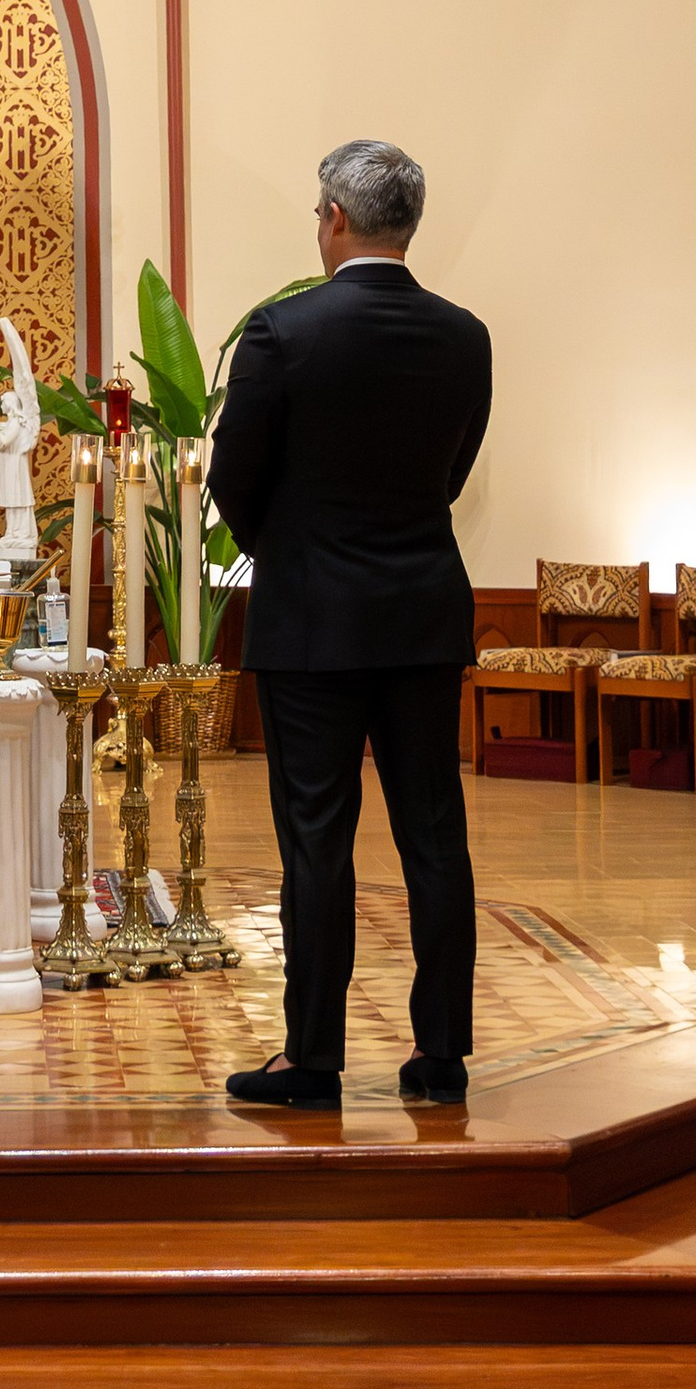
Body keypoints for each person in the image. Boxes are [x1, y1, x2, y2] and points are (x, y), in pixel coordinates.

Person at [207, 140, 492, 1112]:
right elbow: (450, 473)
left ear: (332, 217)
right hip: (421, 612)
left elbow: (232, 478)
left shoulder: (283, 333)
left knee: (316, 844)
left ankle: (312, 1058)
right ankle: (441, 1053)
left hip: (312, 624)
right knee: (434, 838)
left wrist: (286, 550)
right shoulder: (464, 337)